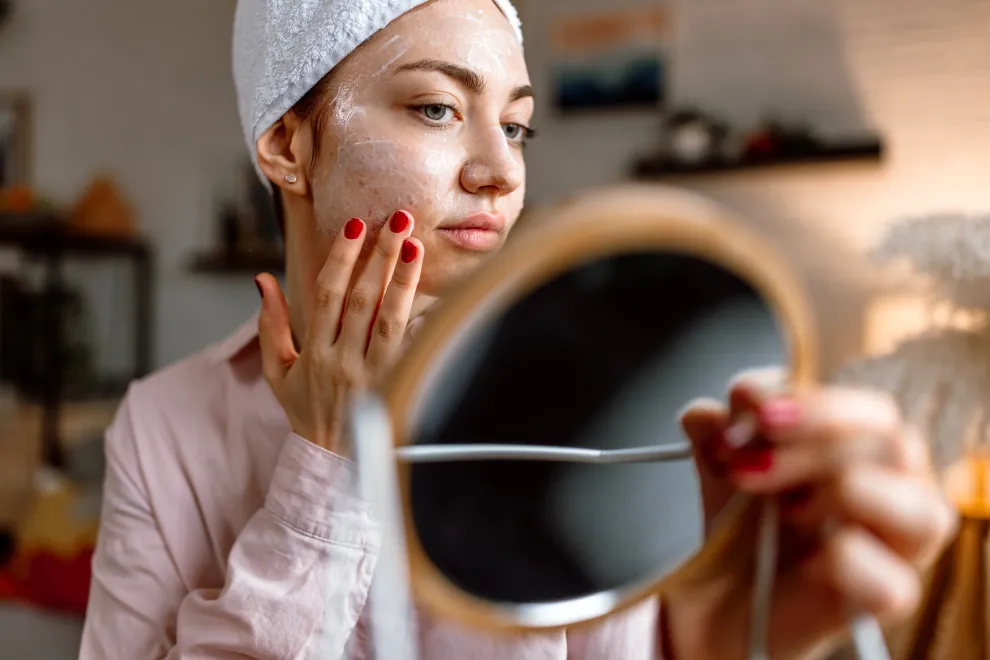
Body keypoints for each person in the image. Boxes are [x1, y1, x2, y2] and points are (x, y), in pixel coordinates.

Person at [79, 0, 956, 658]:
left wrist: (707, 644)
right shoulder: (163, 428)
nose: (501, 170)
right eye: (435, 108)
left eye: (517, 125)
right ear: (286, 145)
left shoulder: (607, 409)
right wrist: (325, 467)